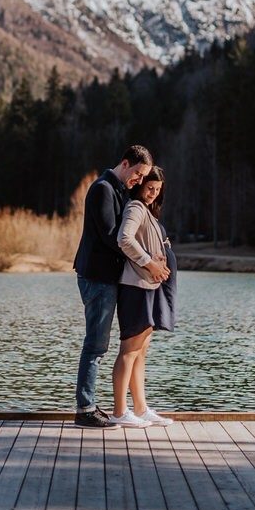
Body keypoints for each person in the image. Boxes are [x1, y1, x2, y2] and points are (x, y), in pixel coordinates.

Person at [73, 145, 167, 429]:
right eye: (138, 174)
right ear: (125, 164)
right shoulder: (103, 189)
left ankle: (95, 406)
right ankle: (85, 409)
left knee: (102, 344)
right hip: (97, 277)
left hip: (108, 278)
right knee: (96, 345)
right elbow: (113, 237)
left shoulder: (120, 191)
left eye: (143, 177)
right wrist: (149, 262)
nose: (139, 181)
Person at [110, 165, 176, 427]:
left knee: (141, 351)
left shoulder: (147, 210)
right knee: (129, 349)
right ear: (139, 185)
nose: (153, 193)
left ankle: (140, 408)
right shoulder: (135, 207)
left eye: (158, 190)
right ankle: (119, 411)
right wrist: (150, 262)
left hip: (147, 287)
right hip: (135, 287)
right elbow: (124, 239)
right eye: (150, 188)